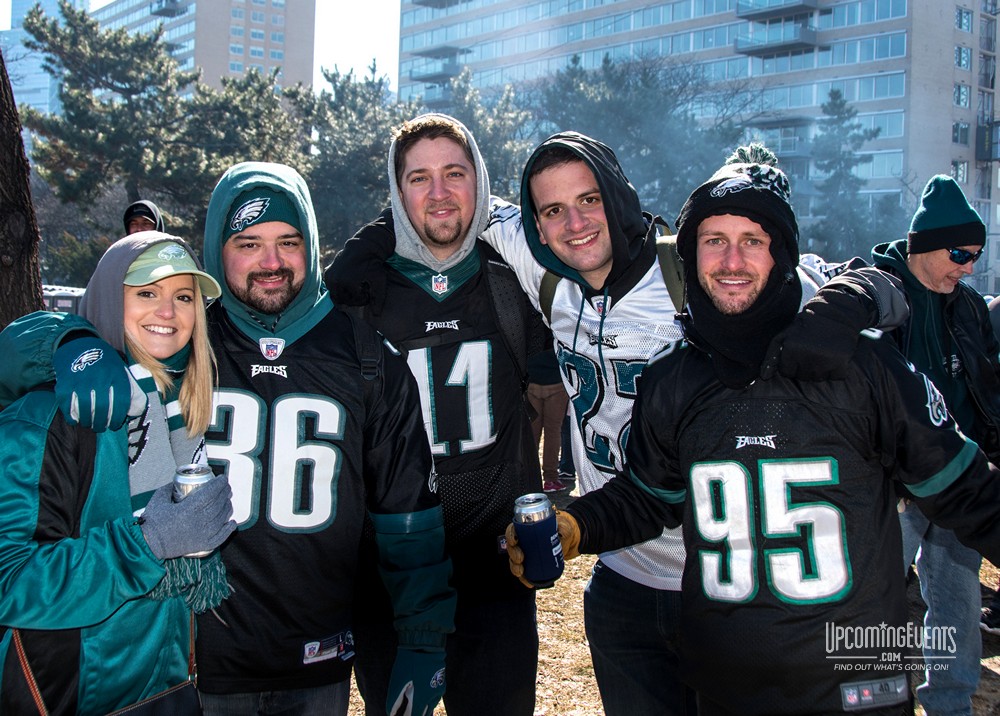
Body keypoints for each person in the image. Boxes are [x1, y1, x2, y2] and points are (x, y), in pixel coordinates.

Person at [509, 149, 1000, 715]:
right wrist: (577, 523)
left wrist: (865, 292)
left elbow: (972, 494)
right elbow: (649, 497)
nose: (731, 259)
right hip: (726, 691)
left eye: (753, 240)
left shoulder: (862, 367)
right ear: (690, 256)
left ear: (782, 253)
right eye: (713, 240)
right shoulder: (674, 378)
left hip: (852, 689)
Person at [0, 162, 456, 716]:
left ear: (311, 245)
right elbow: (75, 339)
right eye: (248, 243)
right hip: (188, 665)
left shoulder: (367, 357)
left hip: (317, 661)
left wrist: (424, 636)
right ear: (218, 248)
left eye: (288, 241)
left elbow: (409, 518)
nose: (271, 262)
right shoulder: (187, 340)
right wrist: (66, 338)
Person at [325, 113, 544, 716]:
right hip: (388, 566)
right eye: (419, 178)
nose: (440, 193)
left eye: (455, 172)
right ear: (397, 193)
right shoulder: (359, 292)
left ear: (480, 180)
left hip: (494, 565)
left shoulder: (517, 278)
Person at [0, 232, 235, 713]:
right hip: (68, 694)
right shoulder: (46, 418)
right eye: (146, 292)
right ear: (110, 299)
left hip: (164, 688)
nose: (167, 311)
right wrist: (147, 545)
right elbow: (10, 582)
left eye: (184, 296)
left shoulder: (180, 412)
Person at [870, 175, 1000, 716]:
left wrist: (990, 453)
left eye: (975, 255)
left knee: (957, 598)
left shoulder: (968, 306)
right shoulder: (875, 293)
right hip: (892, 485)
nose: (968, 266)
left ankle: (951, 703)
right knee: (872, 604)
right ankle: (871, 701)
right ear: (925, 243)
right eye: (960, 253)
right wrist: (884, 474)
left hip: (958, 476)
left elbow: (987, 385)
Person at [527, 340, 570, 493]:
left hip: (532, 379)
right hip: (555, 380)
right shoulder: (558, 318)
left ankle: (529, 477)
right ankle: (550, 479)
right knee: (552, 432)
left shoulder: (528, 318)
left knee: (532, 434)